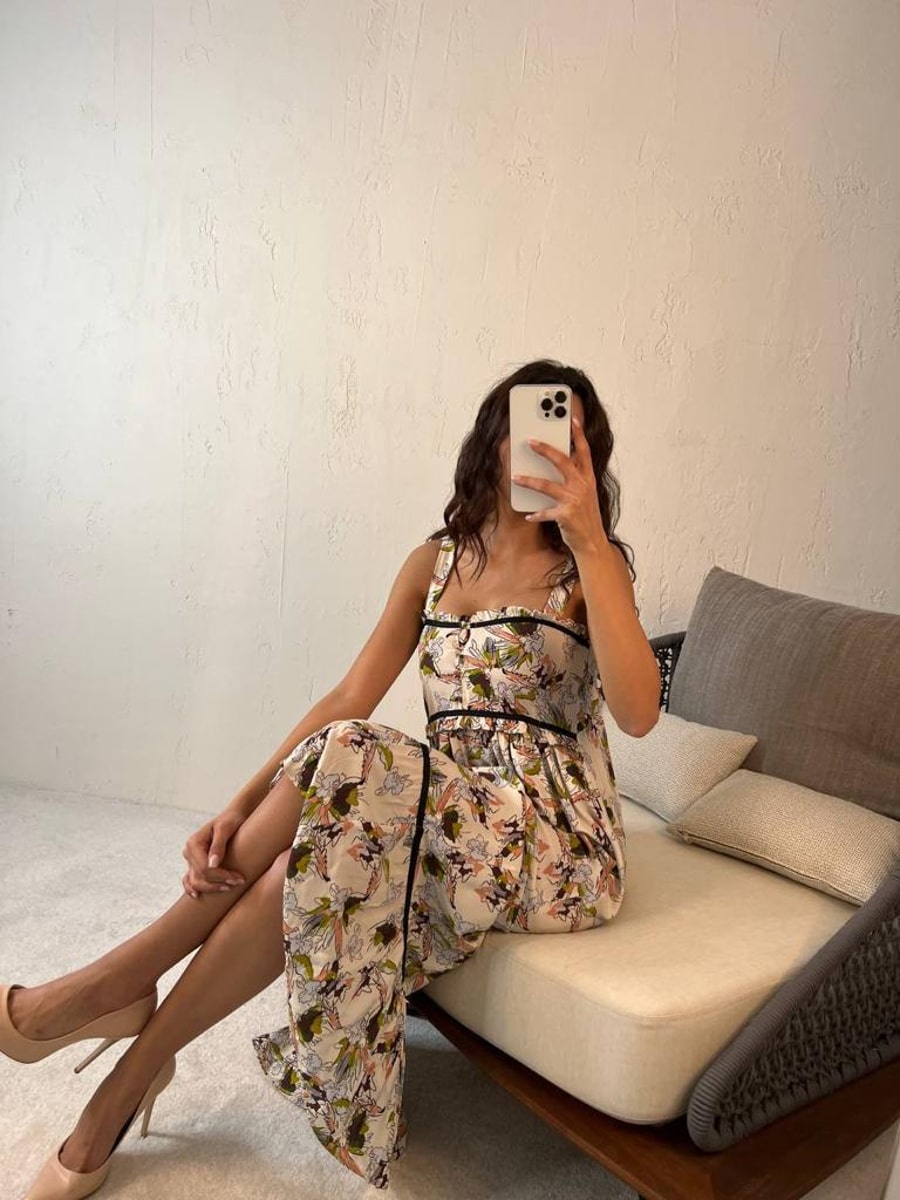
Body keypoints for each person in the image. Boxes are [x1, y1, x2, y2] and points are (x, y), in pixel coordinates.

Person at [1, 358, 661, 1197]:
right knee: (294, 867)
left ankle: (116, 980)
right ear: (494, 438)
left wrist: (592, 542)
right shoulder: (433, 564)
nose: (549, 447)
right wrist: (240, 799)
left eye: (571, 435)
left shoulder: (589, 570)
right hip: (446, 814)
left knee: (356, 749)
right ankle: (122, 1088)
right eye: (533, 425)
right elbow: (350, 694)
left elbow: (639, 712)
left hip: (553, 842)